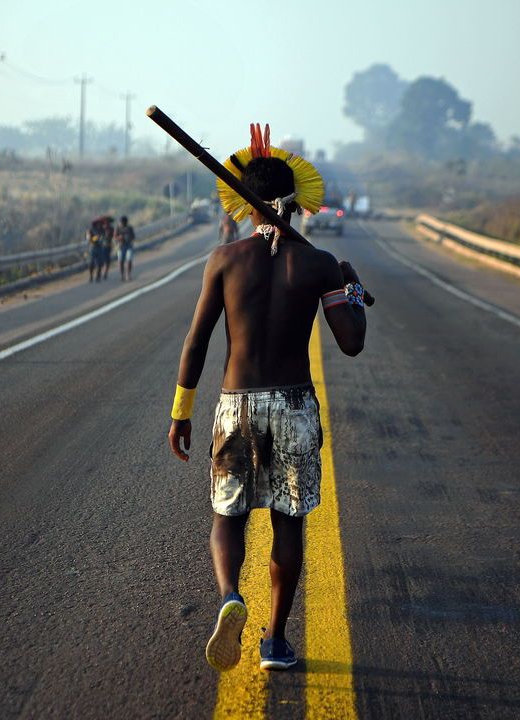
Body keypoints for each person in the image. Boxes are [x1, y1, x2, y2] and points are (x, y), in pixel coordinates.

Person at [167, 123, 367, 672]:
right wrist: (350, 286)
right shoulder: (319, 264)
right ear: (297, 203)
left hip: (237, 405)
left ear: (245, 204)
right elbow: (351, 343)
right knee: (288, 520)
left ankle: (231, 595)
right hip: (295, 406)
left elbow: (197, 342)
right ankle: (275, 642)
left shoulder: (224, 260)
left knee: (228, 516)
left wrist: (181, 412)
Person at [115, 216, 136, 281]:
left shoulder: (129, 228)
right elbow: (115, 236)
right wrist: (120, 238)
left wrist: (129, 238)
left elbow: (133, 236)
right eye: (121, 222)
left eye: (123, 222)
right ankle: (122, 275)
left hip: (129, 246)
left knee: (129, 260)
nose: (121, 223)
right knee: (120, 261)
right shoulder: (118, 228)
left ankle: (128, 274)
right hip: (120, 246)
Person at [87, 217, 106, 282]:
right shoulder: (91, 230)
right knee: (91, 263)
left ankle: (98, 276)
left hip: (100, 248)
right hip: (93, 248)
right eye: (99, 223)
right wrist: (95, 238)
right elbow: (89, 239)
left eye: (101, 223)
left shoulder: (102, 230)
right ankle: (91, 276)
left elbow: (103, 237)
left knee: (100, 263)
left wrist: (101, 238)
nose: (100, 224)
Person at [100, 216, 116, 281]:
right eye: (105, 222)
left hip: (108, 246)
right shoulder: (101, 229)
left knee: (107, 261)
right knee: (101, 261)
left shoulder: (111, 229)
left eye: (107, 222)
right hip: (101, 247)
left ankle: (105, 273)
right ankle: (100, 272)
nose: (106, 223)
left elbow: (114, 236)